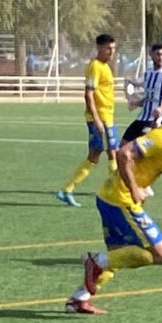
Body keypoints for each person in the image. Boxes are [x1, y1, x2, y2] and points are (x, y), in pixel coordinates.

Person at [64, 94, 162, 314]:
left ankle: (78, 299)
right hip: (120, 199)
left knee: (120, 255)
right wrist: (134, 188)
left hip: (111, 198)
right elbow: (124, 153)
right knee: (158, 252)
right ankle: (94, 261)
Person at [56, 34, 119, 207]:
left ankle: (67, 190)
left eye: (113, 48)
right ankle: (116, 190)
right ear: (99, 48)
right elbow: (88, 94)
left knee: (95, 156)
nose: (112, 52)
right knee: (113, 152)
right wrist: (97, 119)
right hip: (101, 119)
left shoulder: (105, 67)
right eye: (108, 48)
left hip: (107, 117)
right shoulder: (95, 67)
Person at [122, 43, 162, 146]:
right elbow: (150, 97)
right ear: (151, 55)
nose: (161, 57)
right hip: (142, 117)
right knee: (123, 146)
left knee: (143, 149)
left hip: (156, 120)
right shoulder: (148, 73)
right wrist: (137, 103)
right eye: (158, 54)